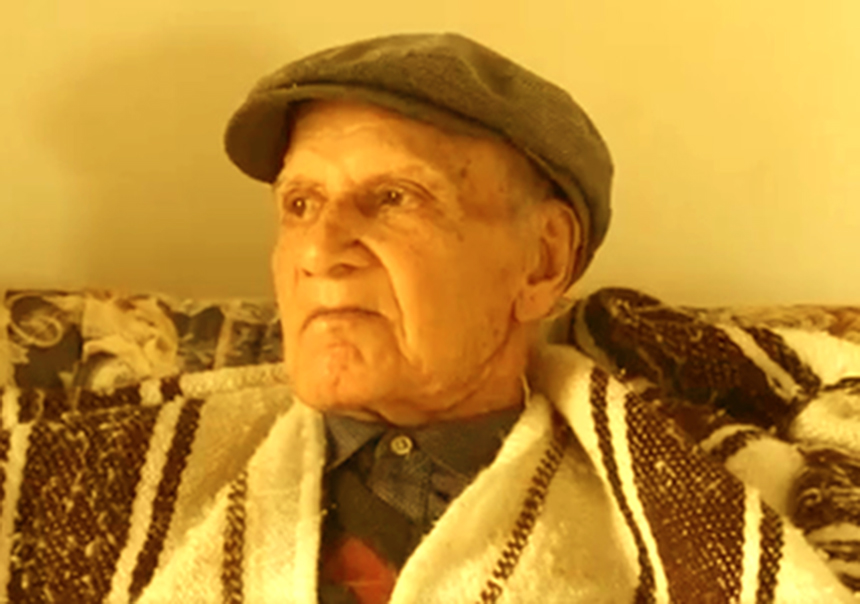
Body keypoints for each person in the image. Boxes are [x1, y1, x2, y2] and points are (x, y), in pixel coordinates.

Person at [1, 33, 856, 604]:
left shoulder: (692, 509)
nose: (318, 250)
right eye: (300, 203)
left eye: (393, 199)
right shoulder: (96, 477)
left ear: (542, 262)